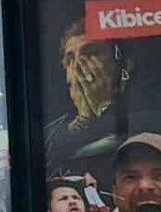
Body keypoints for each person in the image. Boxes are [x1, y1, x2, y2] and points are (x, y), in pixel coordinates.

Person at [44, 21, 124, 183]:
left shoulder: (141, 113)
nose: (78, 66)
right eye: (70, 60)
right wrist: (83, 120)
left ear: (122, 65)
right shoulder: (52, 134)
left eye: (90, 54)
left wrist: (104, 106)